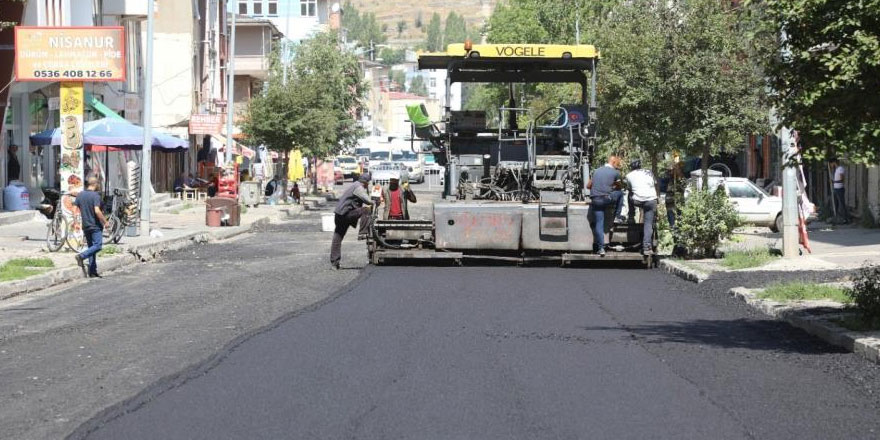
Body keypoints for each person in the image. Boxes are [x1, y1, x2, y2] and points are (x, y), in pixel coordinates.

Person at [330, 172, 374, 270]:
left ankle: (334, 262)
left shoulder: (354, 185)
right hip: (345, 214)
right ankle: (363, 232)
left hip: (339, 214)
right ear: (366, 182)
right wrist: (376, 201)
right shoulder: (358, 187)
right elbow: (368, 201)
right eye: (368, 183)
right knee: (366, 210)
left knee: (338, 237)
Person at [588, 156, 624, 256]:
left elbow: (588, 186)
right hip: (606, 199)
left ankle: (601, 248)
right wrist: (611, 186)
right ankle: (617, 215)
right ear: (613, 162)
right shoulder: (615, 173)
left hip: (595, 200)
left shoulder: (596, 171)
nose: (618, 166)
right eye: (617, 164)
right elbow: (619, 186)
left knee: (599, 223)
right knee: (620, 193)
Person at [74, 176, 107, 278]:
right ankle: (81, 256)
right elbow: (97, 210)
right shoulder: (95, 196)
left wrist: (76, 222)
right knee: (98, 245)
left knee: (91, 248)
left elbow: (75, 209)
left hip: (86, 225)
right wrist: (105, 222)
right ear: (95, 184)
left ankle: (92, 271)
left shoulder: (80, 195)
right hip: (95, 225)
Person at [625, 160, 658, 255]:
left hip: (637, 200)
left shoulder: (629, 175)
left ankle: (631, 216)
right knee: (648, 224)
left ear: (631, 167)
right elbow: (654, 184)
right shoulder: (649, 172)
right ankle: (647, 247)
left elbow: (629, 188)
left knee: (629, 193)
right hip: (651, 200)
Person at [830, 158, 849, 223]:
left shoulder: (840, 169)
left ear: (834, 162)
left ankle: (845, 219)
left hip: (840, 188)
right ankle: (838, 218)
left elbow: (841, 180)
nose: (831, 165)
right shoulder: (836, 170)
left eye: (831, 164)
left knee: (842, 204)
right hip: (836, 188)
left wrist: (833, 181)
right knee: (836, 204)